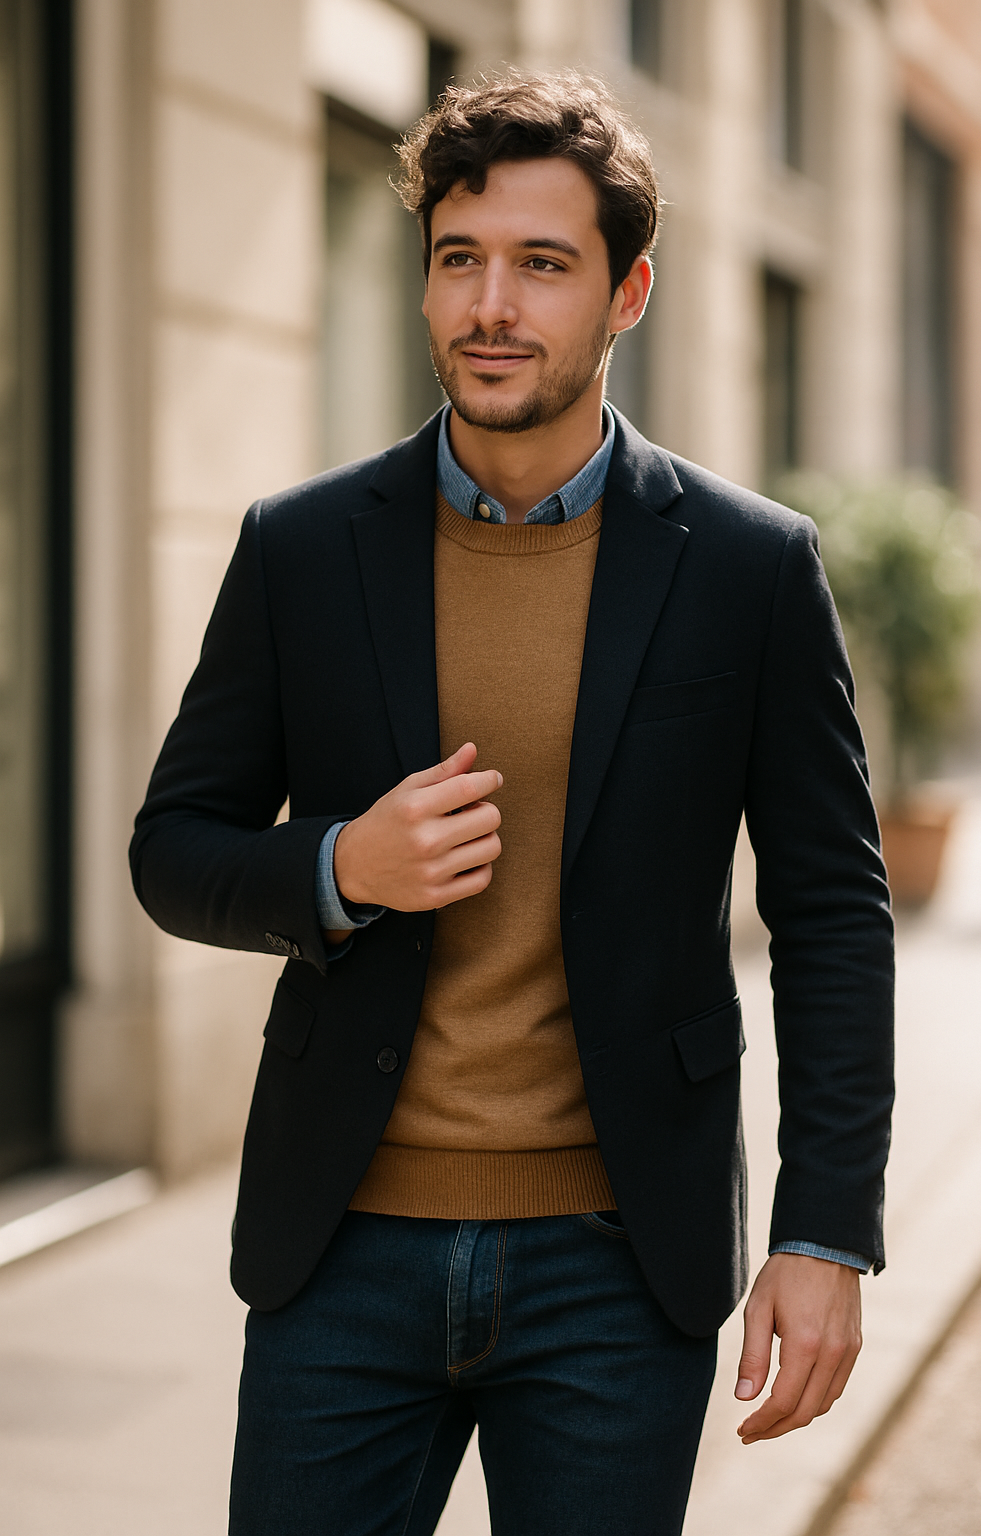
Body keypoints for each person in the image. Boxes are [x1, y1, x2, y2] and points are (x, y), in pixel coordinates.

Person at [130, 71, 894, 1536]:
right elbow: (172, 850)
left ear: (628, 293)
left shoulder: (749, 568)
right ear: (423, 282)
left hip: (618, 1260)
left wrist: (825, 1230)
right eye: (459, 259)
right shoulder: (302, 550)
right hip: (341, 1249)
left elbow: (833, 914)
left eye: (543, 263)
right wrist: (341, 867)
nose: (492, 306)